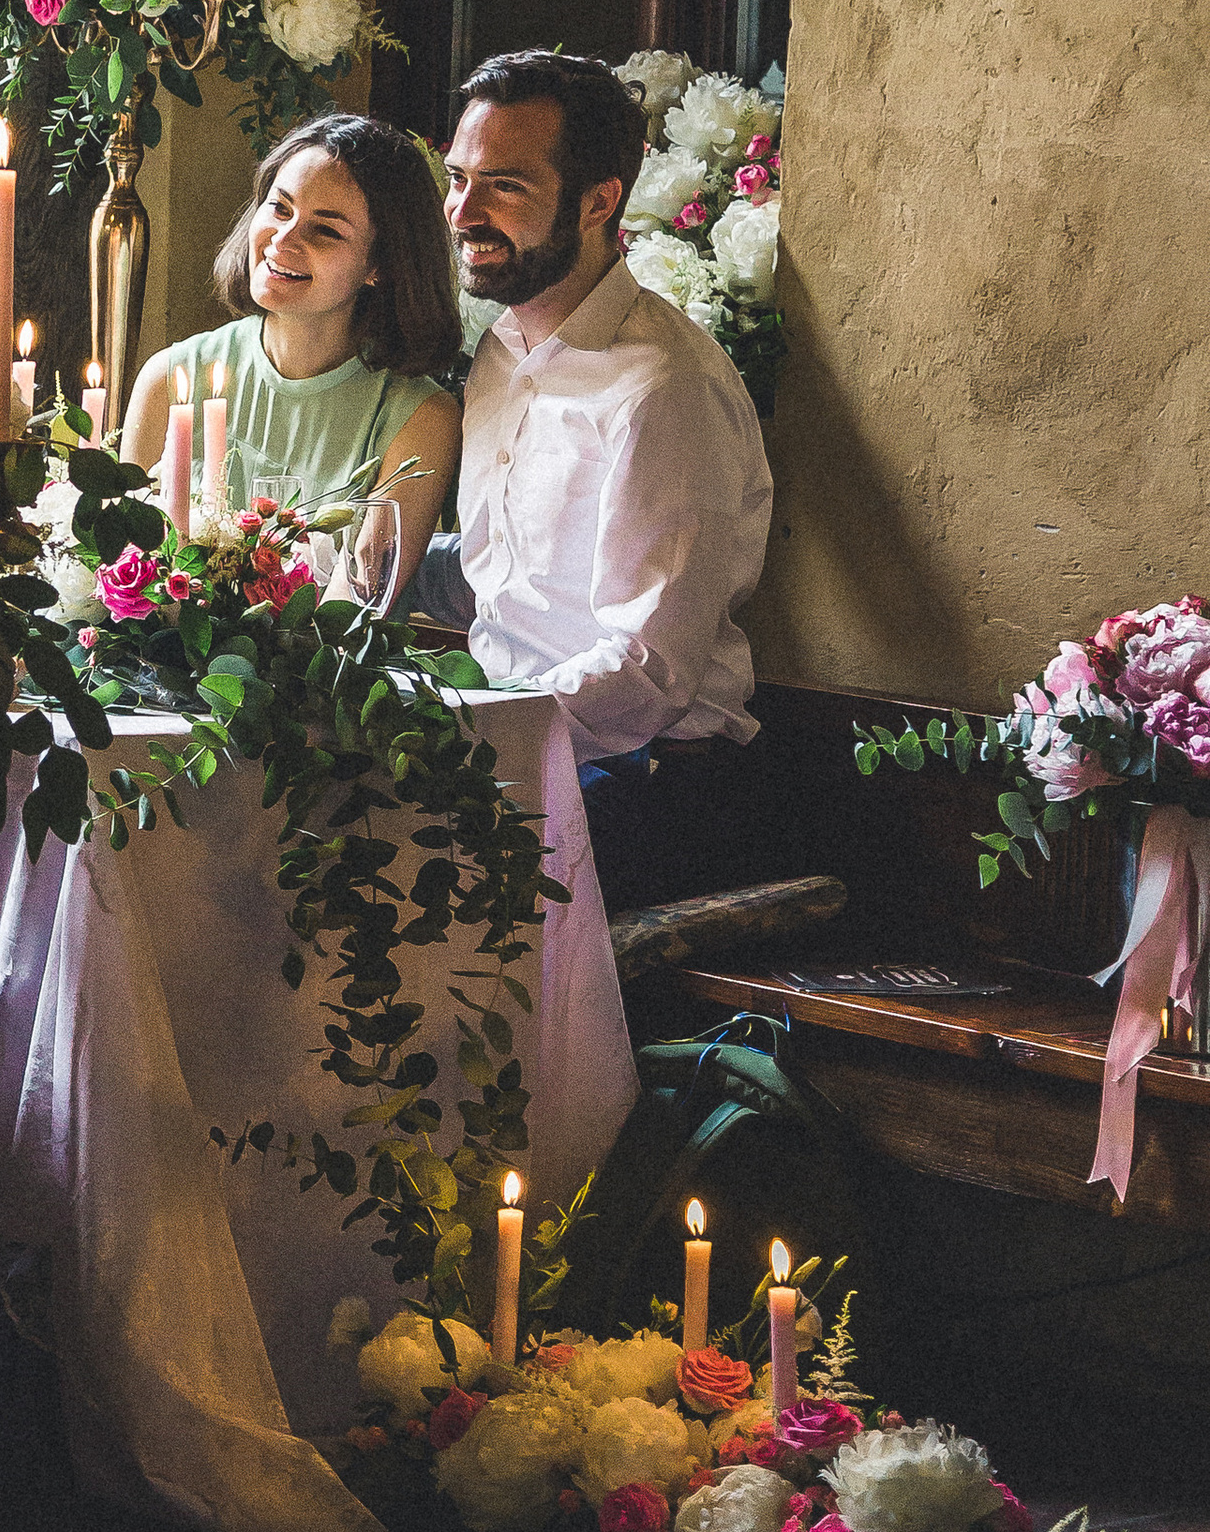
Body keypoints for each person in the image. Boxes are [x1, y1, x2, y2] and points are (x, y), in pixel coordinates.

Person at [442, 49, 773, 907]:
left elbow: (648, 672)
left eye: (503, 187)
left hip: (647, 786)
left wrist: (464, 738)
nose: (463, 212)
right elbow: (510, 583)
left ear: (599, 202)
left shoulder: (663, 385)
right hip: (515, 755)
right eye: (457, 178)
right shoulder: (500, 351)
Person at [121, 114, 463, 606]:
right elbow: (121, 579)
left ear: (379, 266)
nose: (283, 239)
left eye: (325, 231)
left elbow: (351, 616)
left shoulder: (422, 418)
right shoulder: (170, 378)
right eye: (279, 208)